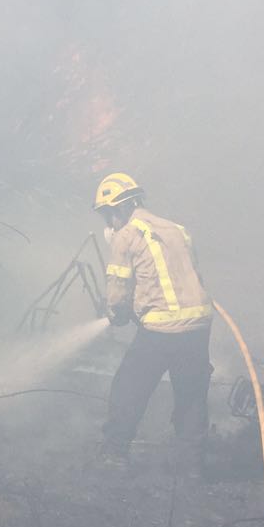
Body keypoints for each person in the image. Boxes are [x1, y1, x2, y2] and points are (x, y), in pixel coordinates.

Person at [94, 173, 214, 473]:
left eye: (107, 215)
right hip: (198, 325)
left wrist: (117, 315)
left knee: (128, 388)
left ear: (119, 208)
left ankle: (114, 453)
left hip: (161, 330)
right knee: (191, 394)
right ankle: (192, 464)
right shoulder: (178, 229)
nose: (108, 224)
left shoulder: (127, 235)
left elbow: (118, 288)